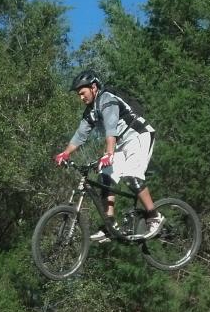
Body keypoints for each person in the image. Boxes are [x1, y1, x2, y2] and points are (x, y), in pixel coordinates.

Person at [54, 69, 161, 242]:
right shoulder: (90, 111)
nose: (81, 97)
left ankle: (154, 216)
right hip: (121, 144)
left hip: (139, 136)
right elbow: (81, 135)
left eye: (83, 93)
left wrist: (109, 153)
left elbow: (111, 127)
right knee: (105, 176)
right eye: (78, 95)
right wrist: (65, 153)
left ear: (94, 87)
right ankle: (110, 226)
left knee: (131, 176)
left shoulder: (107, 99)